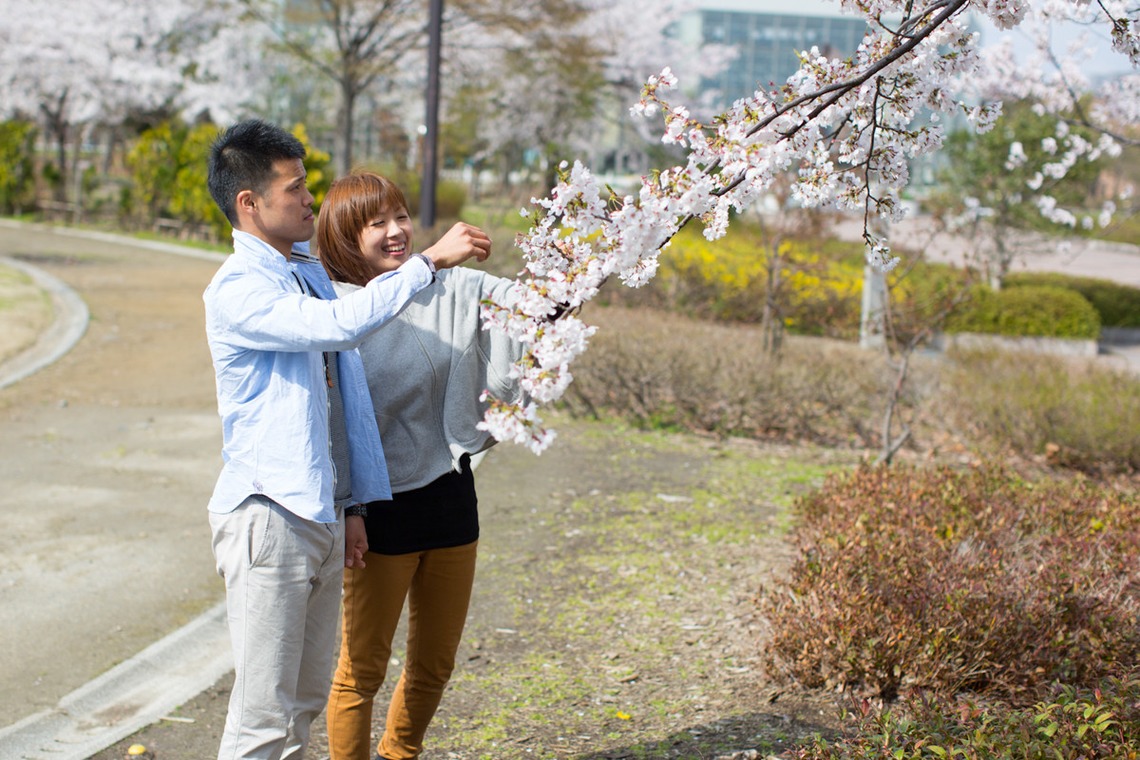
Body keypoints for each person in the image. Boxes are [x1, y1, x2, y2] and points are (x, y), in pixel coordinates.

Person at [202, 120, 491, 760]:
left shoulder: (301, 272)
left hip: (321, 513)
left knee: (302, 706)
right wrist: (428, 262)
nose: (309, 199)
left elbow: (341, 404)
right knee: (262, 719)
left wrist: (354, 504)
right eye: (295, 188)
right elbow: (339, 324)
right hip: (269, 516)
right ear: (249, 203)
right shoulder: (240, 289)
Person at [316, 171, 528, 760]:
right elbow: (334, 423)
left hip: (451, 498)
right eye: (376, 223)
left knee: (435, 664)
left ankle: (398, 754)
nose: (396, 231)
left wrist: (568, 284)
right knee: (361, 671)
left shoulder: (450, 286)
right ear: (345, 235)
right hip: (377, 512)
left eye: (401, 216)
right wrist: (350, 508)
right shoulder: (335, 311)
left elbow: (523, 307)